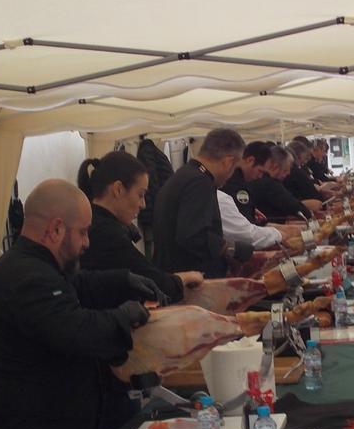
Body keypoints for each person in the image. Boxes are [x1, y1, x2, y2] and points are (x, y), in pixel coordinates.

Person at [0, 179, 163, 429]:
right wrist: (123, 316)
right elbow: (75, 329)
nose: (87, 242)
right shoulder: (24, 276)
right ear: (56, 229)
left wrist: (124, 281)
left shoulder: (42, 267)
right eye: (83, 232)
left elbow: (81, 284)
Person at [78, 152, 203, 304]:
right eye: (140, 194)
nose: (143, 204)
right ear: (118, 189)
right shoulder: (106, 233)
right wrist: (188, 276)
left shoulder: (99, 224)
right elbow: (156, 284)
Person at [153, 128, 253, 277]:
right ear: (228, 161)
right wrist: (228, 248)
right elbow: (191, 235)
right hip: (189, 282)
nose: (231, 176)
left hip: (173, 274)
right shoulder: (199, 183)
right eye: (234, 168)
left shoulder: (185, 175)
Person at [250, 145, 319, 220]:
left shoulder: (261, 180)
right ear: (275, 167)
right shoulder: (269, 184)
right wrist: (309, 214)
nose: (288, 173)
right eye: (285, 170)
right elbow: (293, 205)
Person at [221, 140, 273, 223]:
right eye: (260, 171)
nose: (260, 177)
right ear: (250, 160)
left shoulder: (238, 179)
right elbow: (246, 224)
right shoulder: (236, 185)